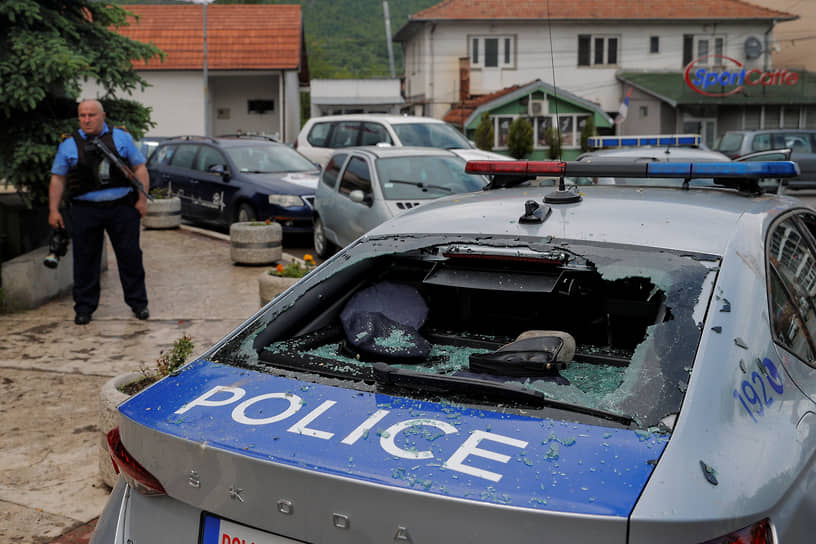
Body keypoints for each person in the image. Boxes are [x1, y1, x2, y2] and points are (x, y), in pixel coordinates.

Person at [48, 99, 150, 325]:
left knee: (130, 257)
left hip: (122, 207)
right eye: (82, 115)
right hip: (85, 210)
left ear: (102, 115)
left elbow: (139, 168)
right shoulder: (69, 144)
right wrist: (53, 210)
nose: (87, 120)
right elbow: (58, 178)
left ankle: (139, 304)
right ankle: (84, 308)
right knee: (85, 260)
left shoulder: (121, 138)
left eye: (91, 115)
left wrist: (142, 200)